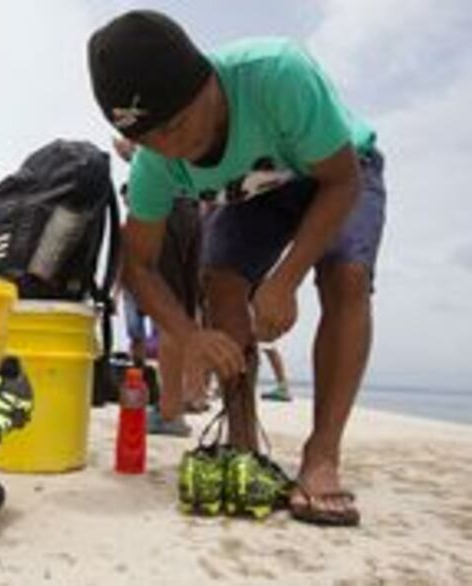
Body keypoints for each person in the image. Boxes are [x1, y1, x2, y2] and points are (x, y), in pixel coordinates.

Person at [87, 10, 386, 526]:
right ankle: (243, 443)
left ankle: (321, 456)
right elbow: (137, 265)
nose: (171, 148)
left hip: (338, 172)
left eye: (177, 126)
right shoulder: (156, 160)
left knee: (346, 277)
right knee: (221, 283)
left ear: (207, 79)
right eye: (151, 138)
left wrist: (286, 280)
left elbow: (342, 184)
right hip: (255, 193)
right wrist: (189, 334)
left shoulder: (277, 74)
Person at [114, 137, 204, 437]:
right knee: (183, 316)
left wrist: (133, 153)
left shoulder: (151, 125)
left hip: (165, 208)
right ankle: (178, 402)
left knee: (169, 314)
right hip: (192, 209)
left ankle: (170, 412)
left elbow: (158, 158)